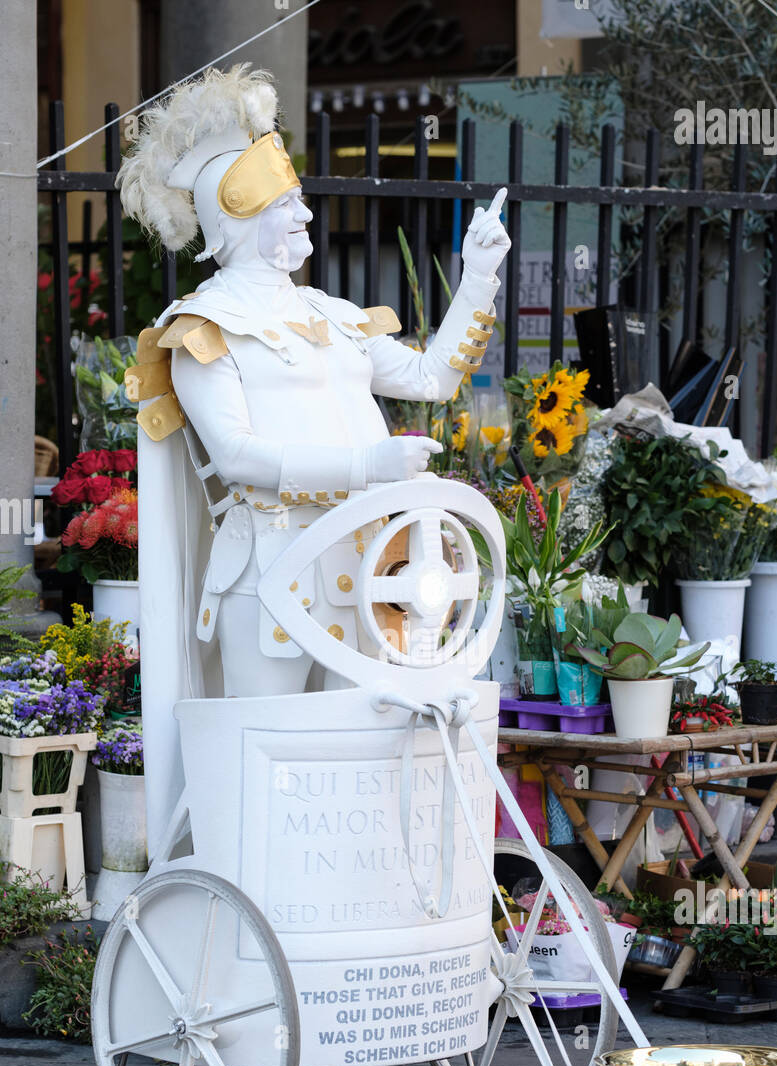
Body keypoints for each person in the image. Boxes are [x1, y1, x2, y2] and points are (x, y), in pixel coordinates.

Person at [117, 64, 511, 851]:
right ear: (235, 221)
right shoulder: (201, 326)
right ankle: (244, 934)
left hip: (368, 572)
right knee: (265, 765)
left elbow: (431, 379)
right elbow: (237, 456)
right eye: (281, 204)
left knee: (359, 759)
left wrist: (478, 276)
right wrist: (371, 467)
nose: (303, 215)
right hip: (268, 576)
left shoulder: (330, 315)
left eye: (296, 200)